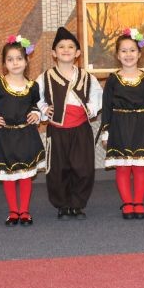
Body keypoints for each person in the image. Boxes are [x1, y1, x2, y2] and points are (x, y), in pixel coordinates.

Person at [37, 26, 103, 219]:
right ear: (54, 53)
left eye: (71, 47)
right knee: (58, 169)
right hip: (57, 130)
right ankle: (63, 204)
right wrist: (43, 109)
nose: (66, 50)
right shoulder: (45, 77)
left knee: (83, 168)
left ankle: (77, 204)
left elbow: (97, 95)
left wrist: (91, 109)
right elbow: (36, 97)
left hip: (81, 129)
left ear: (78, 53)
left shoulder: (87, 77)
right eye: (61, 47)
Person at [0, 35, 46, 226]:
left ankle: (24, 211)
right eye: (10, 59)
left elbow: (35, 104)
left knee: (25, 175)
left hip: (27, 135)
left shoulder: (32, 86)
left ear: (26, 61)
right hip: (6, 136)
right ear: (4, 63)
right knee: (8, 175)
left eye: (19, 58)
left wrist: (36, 113)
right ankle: (13, 211)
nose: (15, 63)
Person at [98, 28, 144, 219]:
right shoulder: (113, 79)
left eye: (132, 50)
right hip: (119, 126)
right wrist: (106, 132)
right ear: (118, 55)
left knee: (140, 167)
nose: (128, 54)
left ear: (139, 54)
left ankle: (139, 202)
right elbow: (106, 107)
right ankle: (127, 202)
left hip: (142, 127)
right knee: (123, 167)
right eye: (124, 51)